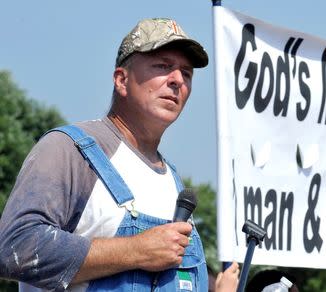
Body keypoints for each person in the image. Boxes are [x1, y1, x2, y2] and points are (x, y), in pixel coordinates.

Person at [0, 17, 226, 291]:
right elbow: (15, 247)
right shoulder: (70, 150)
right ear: (121, 79)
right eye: (163, 66)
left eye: (186, 73)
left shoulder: (173, 181)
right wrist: (136, 251)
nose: (178, 80)